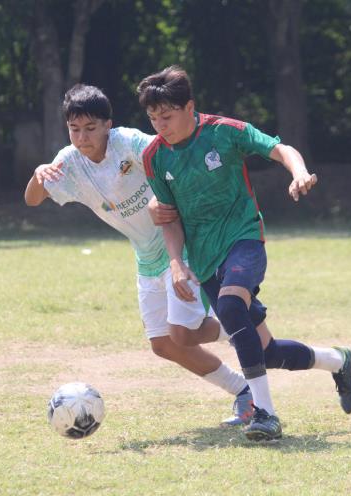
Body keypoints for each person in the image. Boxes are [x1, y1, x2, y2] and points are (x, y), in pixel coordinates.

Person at [139, 66, 351, 441]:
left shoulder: (225, 132)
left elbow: (280, 148)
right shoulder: (155, 158)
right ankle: (338, 361)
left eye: (168, 116)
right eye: (153, 118)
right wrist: (177, 263)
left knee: (229, 309)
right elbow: (169, 218)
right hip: (205, 259)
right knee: (266, 352)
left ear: (189, 107)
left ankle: (265, 414)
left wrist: (299, 172)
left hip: (244, 239)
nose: (161, 125)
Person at [24, 83, 254, 425]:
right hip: (146, 259)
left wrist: (160, 199)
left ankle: (243, 333)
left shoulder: (130, 142)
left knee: (183, 333)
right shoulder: (68, 162)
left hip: (180, 247)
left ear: (108, 124)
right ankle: (241, 385)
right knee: (163, 345)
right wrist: (38, 175)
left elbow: (171, 157)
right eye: (74, 129)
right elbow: (31, 199)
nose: (82, 137)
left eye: (90, 128)